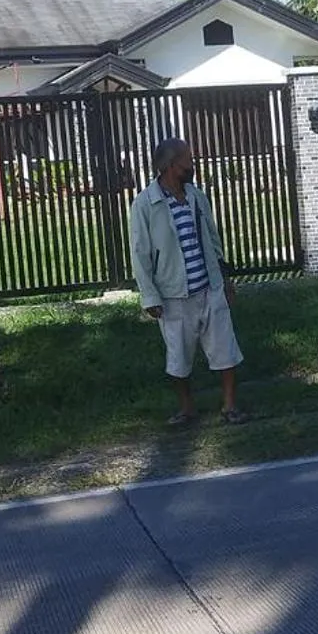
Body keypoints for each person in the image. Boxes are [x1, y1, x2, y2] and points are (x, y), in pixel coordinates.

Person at [129, 135, 248, 426]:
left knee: (225, 349)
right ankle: (187, 409)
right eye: (187, 161)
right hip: (172, 296)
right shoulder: (146, 204)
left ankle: (229, 406)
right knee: (178, 357)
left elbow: (212, 238)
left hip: (209, 287)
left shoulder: (195, 196)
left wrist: (224, 277)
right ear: (171, 165)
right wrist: (149, 296)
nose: (191, 165)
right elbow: (140, 255)